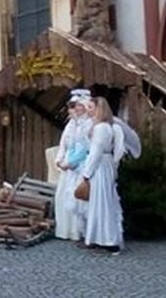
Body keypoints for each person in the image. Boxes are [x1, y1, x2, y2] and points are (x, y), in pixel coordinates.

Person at [79, 97, 125, 255]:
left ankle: (110, 241)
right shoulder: (103, 126)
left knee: (103, 203)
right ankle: (97, 238)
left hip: (100, 167)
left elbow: (96, 152)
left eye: (91, 107)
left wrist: (86, 173)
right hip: (104, 166)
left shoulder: (102, 128)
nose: (89, 110)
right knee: (99, 203)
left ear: (99, 109)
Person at [55, 89, 93, 241]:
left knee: (78, 198)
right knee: (62, 197)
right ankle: (66, 230)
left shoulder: (89, 124)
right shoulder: (71, 124)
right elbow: (63, 144)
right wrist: (59, 159)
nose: (75, 109)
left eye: (78, 106)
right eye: (73, 106)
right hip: (68, 166)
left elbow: (85, 148)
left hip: (80, 166)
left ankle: (80, 232)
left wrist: (71, 163)